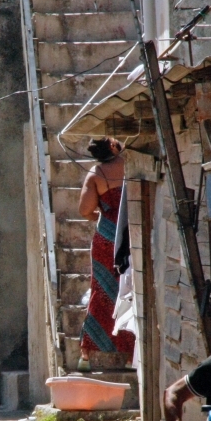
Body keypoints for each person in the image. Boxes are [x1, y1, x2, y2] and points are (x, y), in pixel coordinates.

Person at [77, 137, 135, 371]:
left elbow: (84, 210)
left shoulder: (96, 173)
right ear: (112, 147)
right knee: (130, 291)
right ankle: (132, 356)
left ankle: (86, 354)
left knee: (101, 291)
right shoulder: (130, 164)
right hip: (131, 234)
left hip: (107, 238)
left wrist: (101, 214)